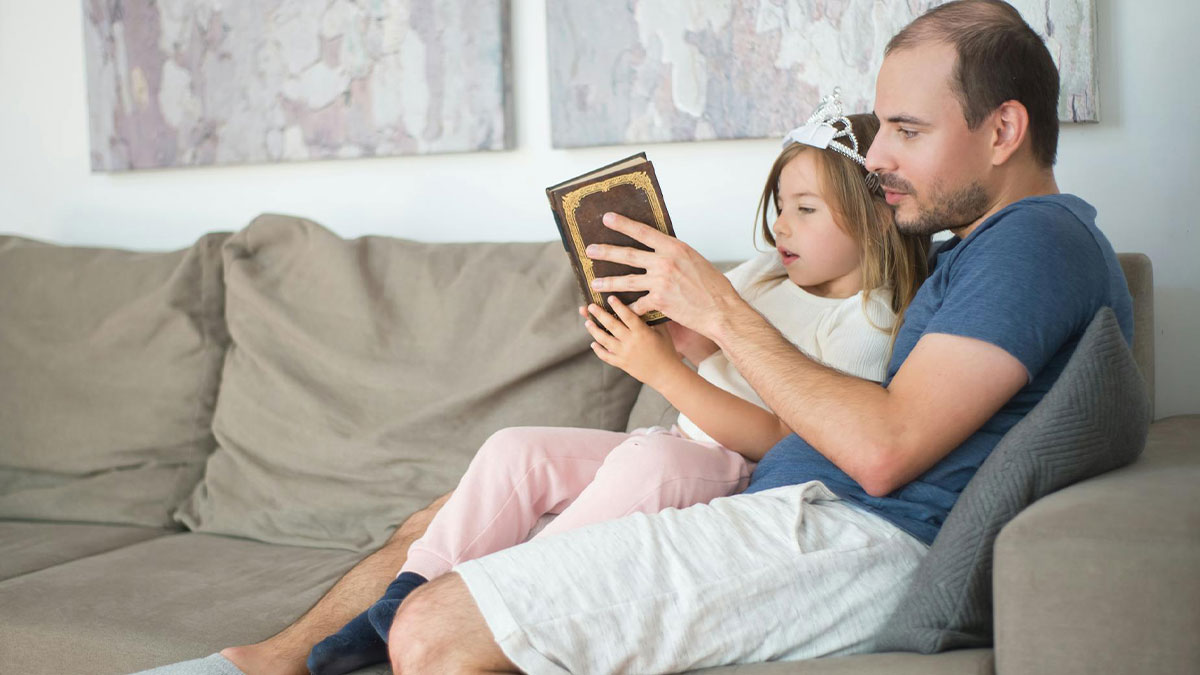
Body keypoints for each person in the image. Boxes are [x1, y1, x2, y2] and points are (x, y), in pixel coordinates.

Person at [159, 2, 1134, 673]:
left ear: (1004, 129)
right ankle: (276, 657)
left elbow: (883, 451)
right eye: (880, 130)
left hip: (847, 534)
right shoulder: (984, 251)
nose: (877, 157)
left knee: (435, 629)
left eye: (907, 131)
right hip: (810, 510)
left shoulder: (1034, 245)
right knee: (442, 529)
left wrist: (719, 314)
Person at [301, 101, 931, 675]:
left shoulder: (869, 322)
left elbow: (781, 440)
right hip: (680, 441)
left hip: (736, 474)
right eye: (781, 205)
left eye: (806, 209)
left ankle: (497, 603)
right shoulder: (770, 271)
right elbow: (709, 335)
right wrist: (654, 323)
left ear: (878, 218)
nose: (782, 226)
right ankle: (398, 602)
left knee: (651, 462)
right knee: (514, 448)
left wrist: (662, 371)